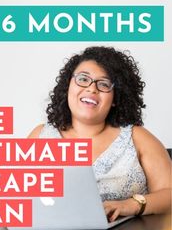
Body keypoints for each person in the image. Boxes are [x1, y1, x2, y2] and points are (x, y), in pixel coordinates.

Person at [28, 46, 171, 221]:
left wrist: (131, 205)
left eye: (103, 84)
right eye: (83, 79)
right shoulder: (40, 136)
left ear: (115, 99)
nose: (91, 89)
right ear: (68, 87)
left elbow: (169, 194)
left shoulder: (138, 137)